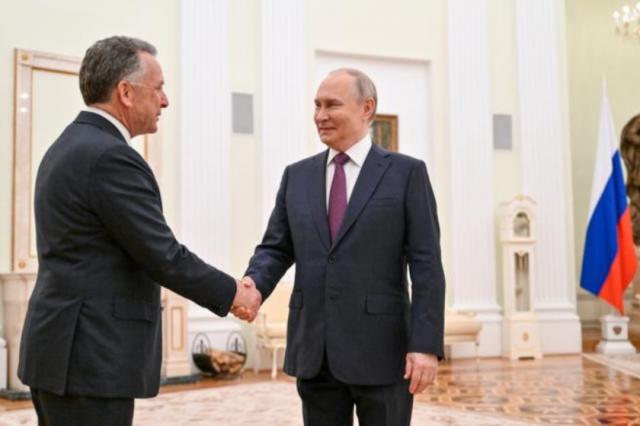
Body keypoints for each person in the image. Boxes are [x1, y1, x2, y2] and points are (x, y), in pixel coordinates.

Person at [18, 36, 261, 426]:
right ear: (126, 93)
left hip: (64, 351)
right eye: (158, 88)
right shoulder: (110, 156)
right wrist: (233, 292)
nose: (165, 101)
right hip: (90, 356)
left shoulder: (69, 144)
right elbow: (162, 255)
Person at [243, 68, 445, 425]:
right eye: (317, 105)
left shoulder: (406, 174)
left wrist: (425, 345)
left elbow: (426, 265)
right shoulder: (296, 176)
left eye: (332, 105)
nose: (320, 115)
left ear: (367, 108)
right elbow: (276, 248)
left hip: (383, 353)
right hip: (315, 352)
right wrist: (253, 284)